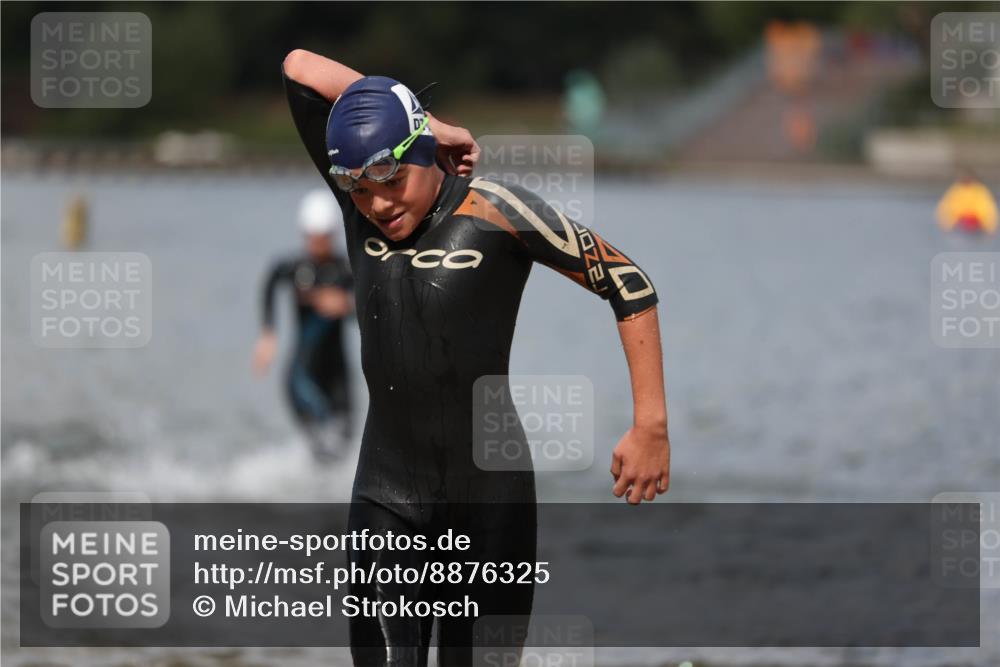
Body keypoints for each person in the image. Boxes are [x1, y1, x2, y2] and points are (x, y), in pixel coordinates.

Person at [283, 48, 671, 666]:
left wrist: (650, 424)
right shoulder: (359, 206)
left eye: (392, 181)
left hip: (491, 506)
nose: (379, 205)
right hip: (387, 496)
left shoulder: (495, 209)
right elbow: (299, 66)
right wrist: (434, 124)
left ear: (419, 155)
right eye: (361, 190)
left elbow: (628, 284)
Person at [253, 188, 356, 462]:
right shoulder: (298, 270)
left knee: (345, 444)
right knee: (320, 447)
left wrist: (347, 305)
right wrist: (267, 333)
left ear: (332, 235)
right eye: (310, 237)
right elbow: (272, 279)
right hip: (302, 377)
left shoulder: (346, 272)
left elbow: (371, 312)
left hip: (338, 374)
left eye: (322, 237)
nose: (315, 244)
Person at [936, 169, 998, 235]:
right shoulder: (956, 190)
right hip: (960, 225)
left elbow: (988, 209)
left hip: (977, 225)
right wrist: (947, 225)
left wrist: (990, 226)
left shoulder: (980, 191)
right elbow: (945, 208)